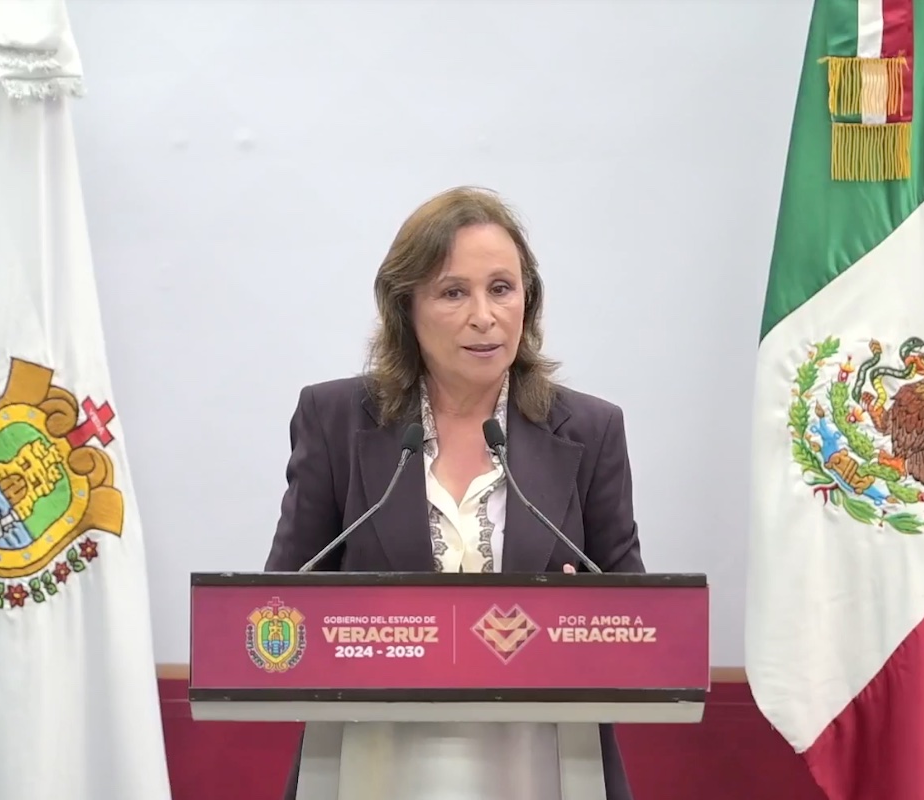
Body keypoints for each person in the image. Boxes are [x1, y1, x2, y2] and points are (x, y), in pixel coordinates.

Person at [264, 186, 645, 800]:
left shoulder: (589, 429)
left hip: (543, 763)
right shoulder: (335, 419)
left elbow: (638, 620)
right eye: (452, 292)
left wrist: (585, 620)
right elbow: (279, 602)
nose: (484, 316)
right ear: (405, 308)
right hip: (371, 760)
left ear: (528, 300)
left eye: (502, 288)